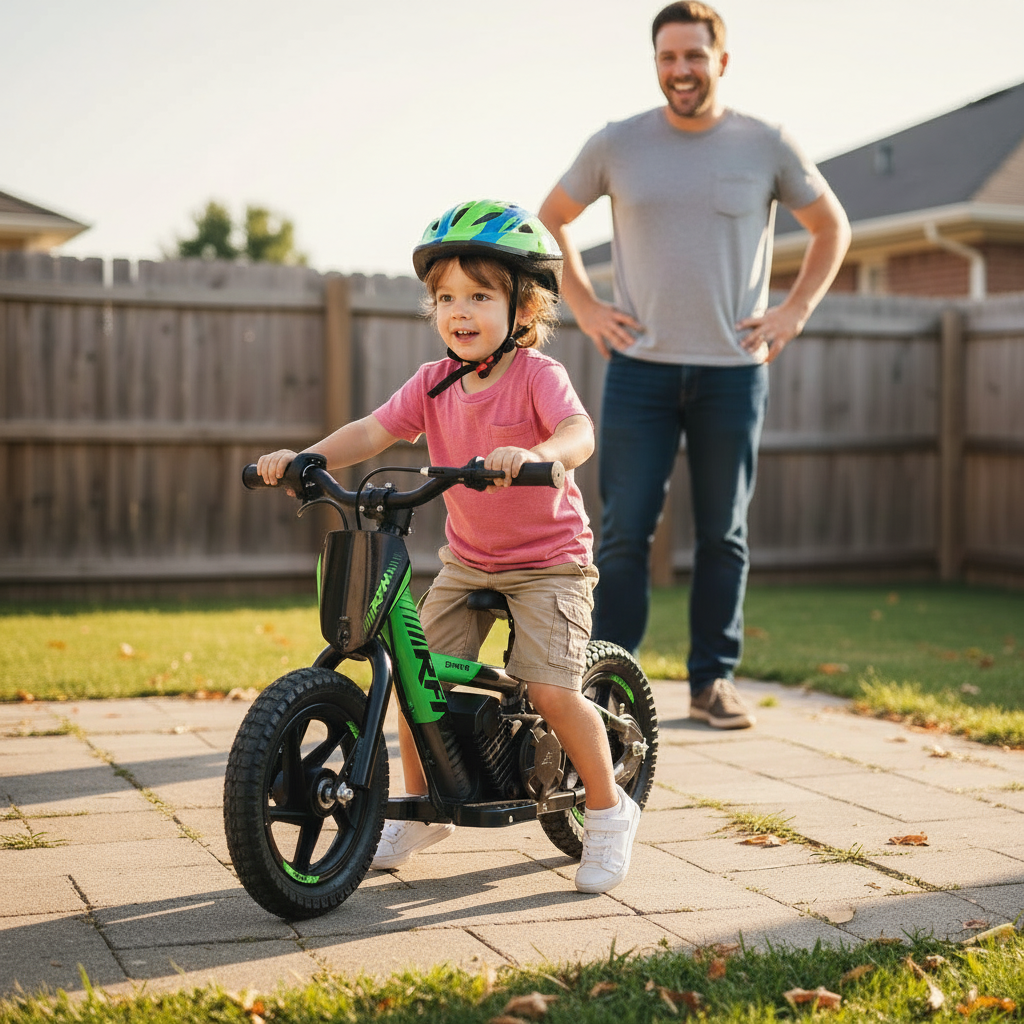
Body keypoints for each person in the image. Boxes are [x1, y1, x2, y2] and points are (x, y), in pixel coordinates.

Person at [256, 199, 641, 894]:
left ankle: (611, 810)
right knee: (415, 680)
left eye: (479, 296)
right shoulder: (433, 382)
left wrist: (539, 452)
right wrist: (306, 458)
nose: (459, 311)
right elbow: (372, 432)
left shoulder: (537, 376)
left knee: (553, 690)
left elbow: (578, 433)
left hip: (549, 561)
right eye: (445, 297)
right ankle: (423, 810)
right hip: (470, 559)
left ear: (523, 311)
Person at [538, 2, 850, 730]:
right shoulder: (617, 144)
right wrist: (583, 304)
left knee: (724, 533)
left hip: (733, 371)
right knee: (622, 532)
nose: (681, 70)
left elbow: (832, 226)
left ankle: (713, 680)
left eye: (694, 56)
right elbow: (550, 218)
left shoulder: (766, 143)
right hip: (640, 372)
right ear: (656, 63)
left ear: (721, 61)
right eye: (668, 57)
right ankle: (608, 679)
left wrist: (792, 314)